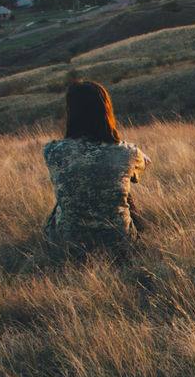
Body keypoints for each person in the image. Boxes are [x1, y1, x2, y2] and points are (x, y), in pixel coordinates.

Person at [42, 80, 150, 259]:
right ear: (106, 111)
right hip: (119, 243)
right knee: (123, 191)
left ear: (72, 112)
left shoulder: (53, 150)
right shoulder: (128, 152)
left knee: (71, 193)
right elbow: (143, 164)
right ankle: (139, 240)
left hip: (66, 246)